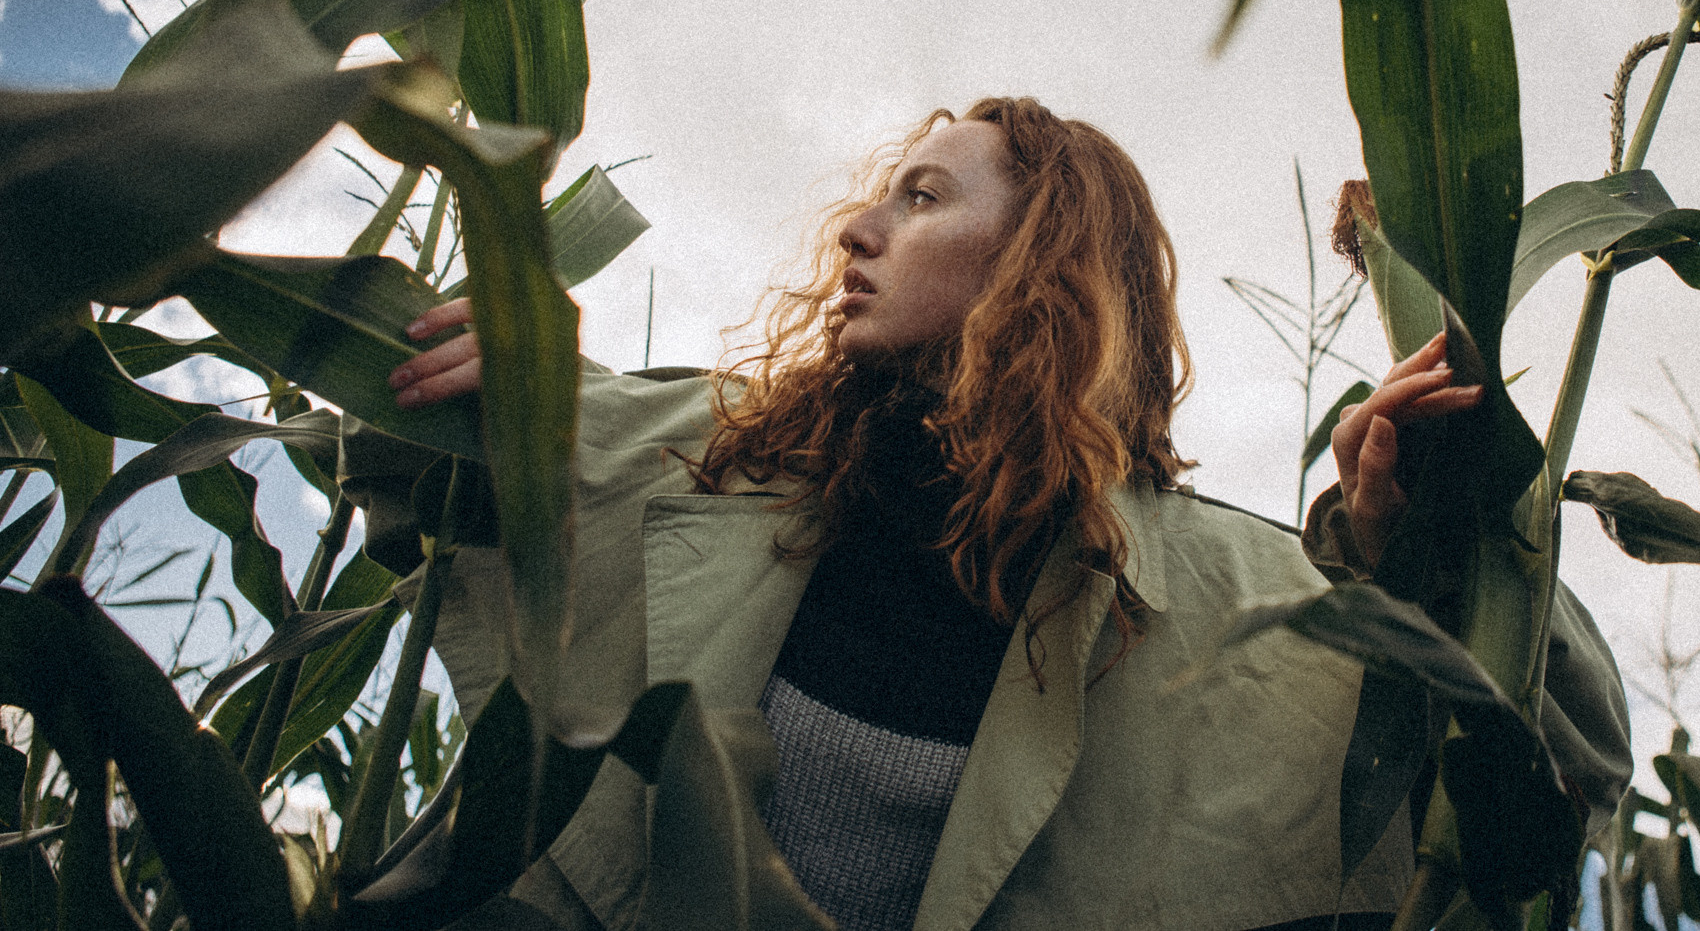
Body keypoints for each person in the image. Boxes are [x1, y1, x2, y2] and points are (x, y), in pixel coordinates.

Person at [386, 97, 1629, 931]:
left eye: (923, 198)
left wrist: (1411, 541)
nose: (858, 229)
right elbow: (399, 442)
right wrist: (504, 358)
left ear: (1044, 263)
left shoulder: (1218, 586)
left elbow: (1563, 750)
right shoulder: (724, 454)